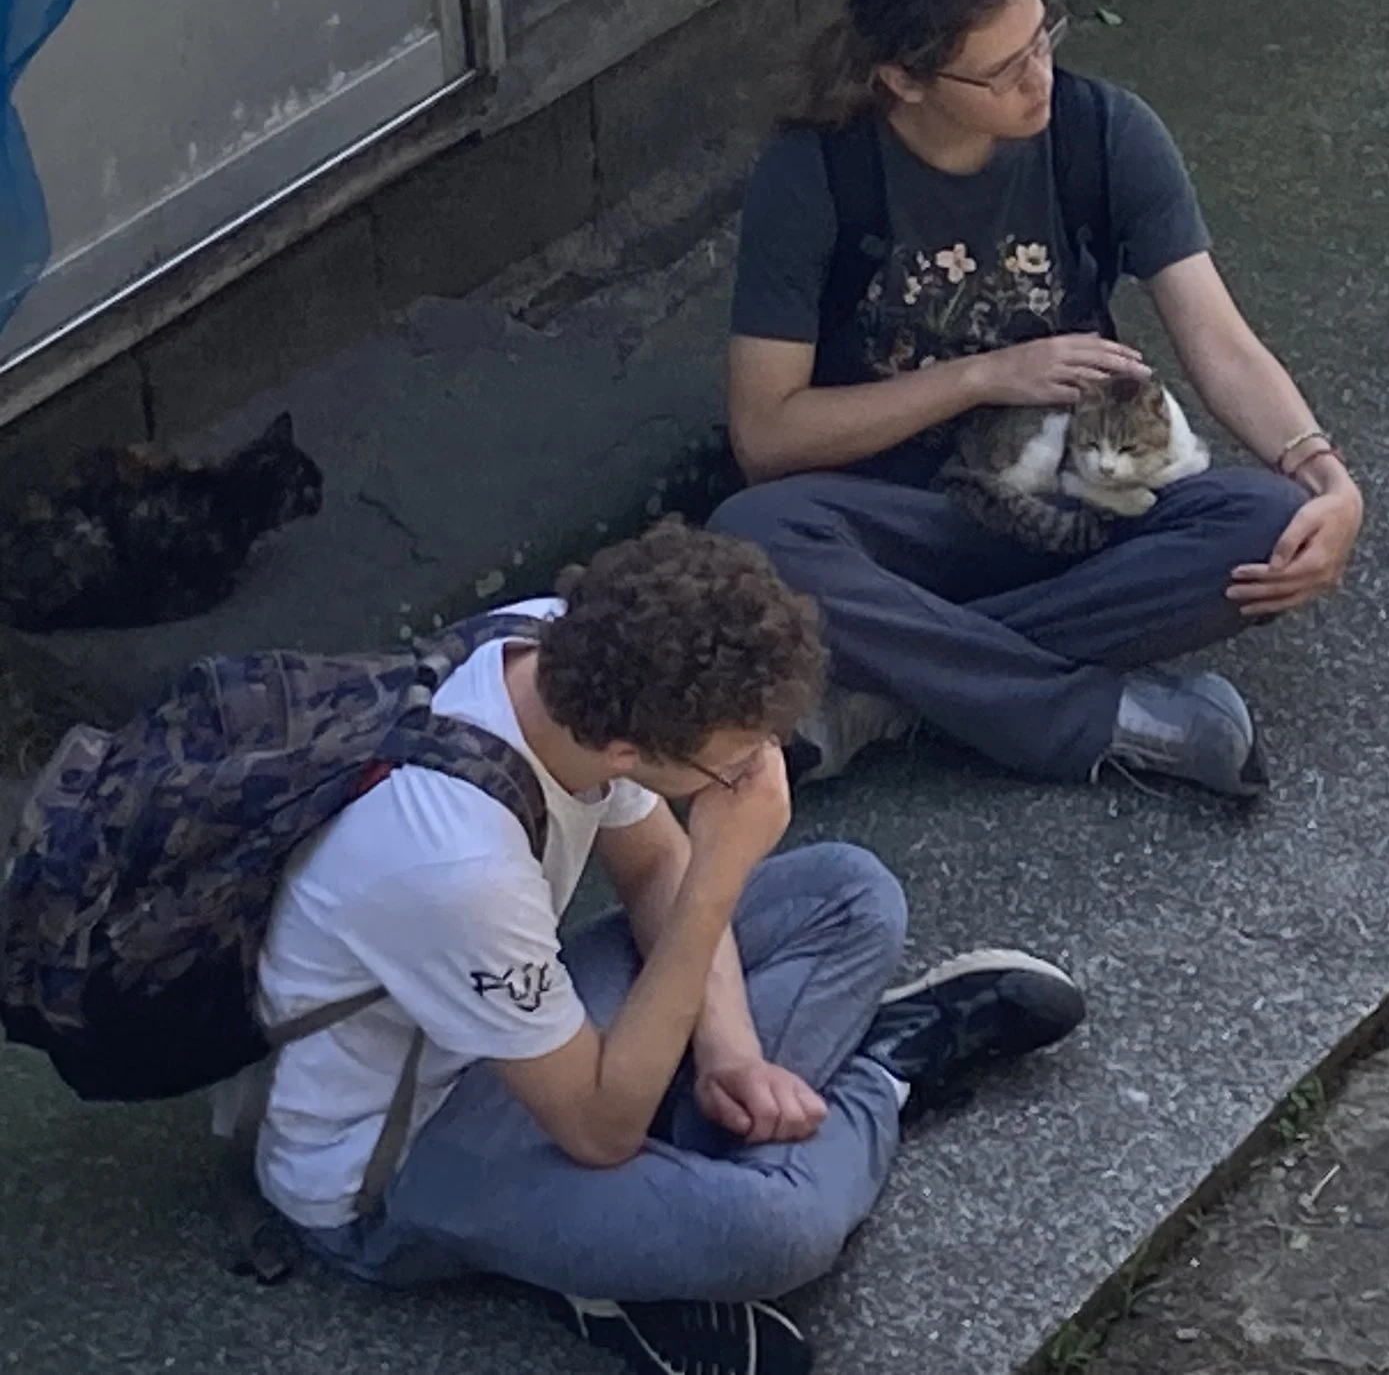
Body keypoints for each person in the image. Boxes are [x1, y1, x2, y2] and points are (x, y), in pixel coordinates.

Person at [235, 522, 1084, 1375]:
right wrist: (723, 868)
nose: (759, 774)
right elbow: (600, 1129)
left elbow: (649, 870)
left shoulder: (558, 647)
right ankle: (878, 1076)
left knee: (850, 892)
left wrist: (730, 1052)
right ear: (626, 753)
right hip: (395, 1165)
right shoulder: (456, 865)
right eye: (735, 765)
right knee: (778, 1231)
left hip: (513, 1041)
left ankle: (639, 1224)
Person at [711, 0, 1365, 798]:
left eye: (1043, 40)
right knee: (751, 538)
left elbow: (1218, 339)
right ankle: (1089, 713)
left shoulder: (1104, 132)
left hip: (1079, 503)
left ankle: (890, 688)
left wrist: (1326, 476)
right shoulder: (814, 174)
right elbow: (766, 437)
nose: (1040, 79)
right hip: (901, 518)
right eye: (1003, 70)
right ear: (904, 79)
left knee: (1266, 523)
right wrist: (983, 375)